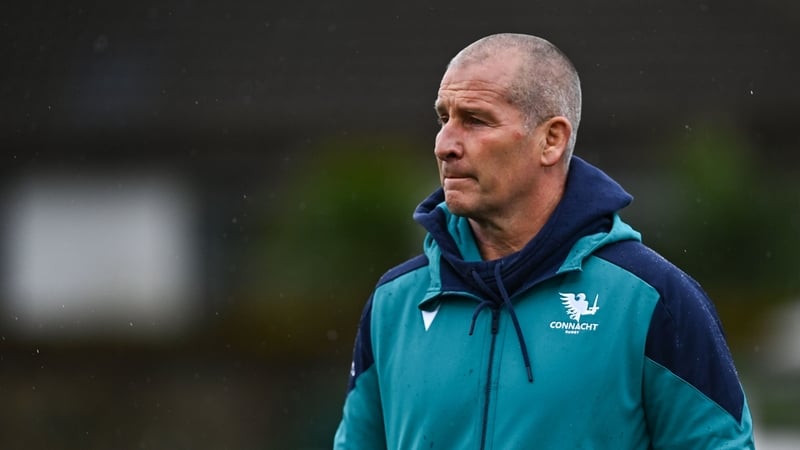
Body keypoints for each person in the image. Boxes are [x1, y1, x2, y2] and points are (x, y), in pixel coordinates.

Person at [333, 33, 754, 449]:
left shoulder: (652, 299)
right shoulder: (395, 302)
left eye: (475, 120)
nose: (445, 145)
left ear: (551, 140)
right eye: (444, 119)